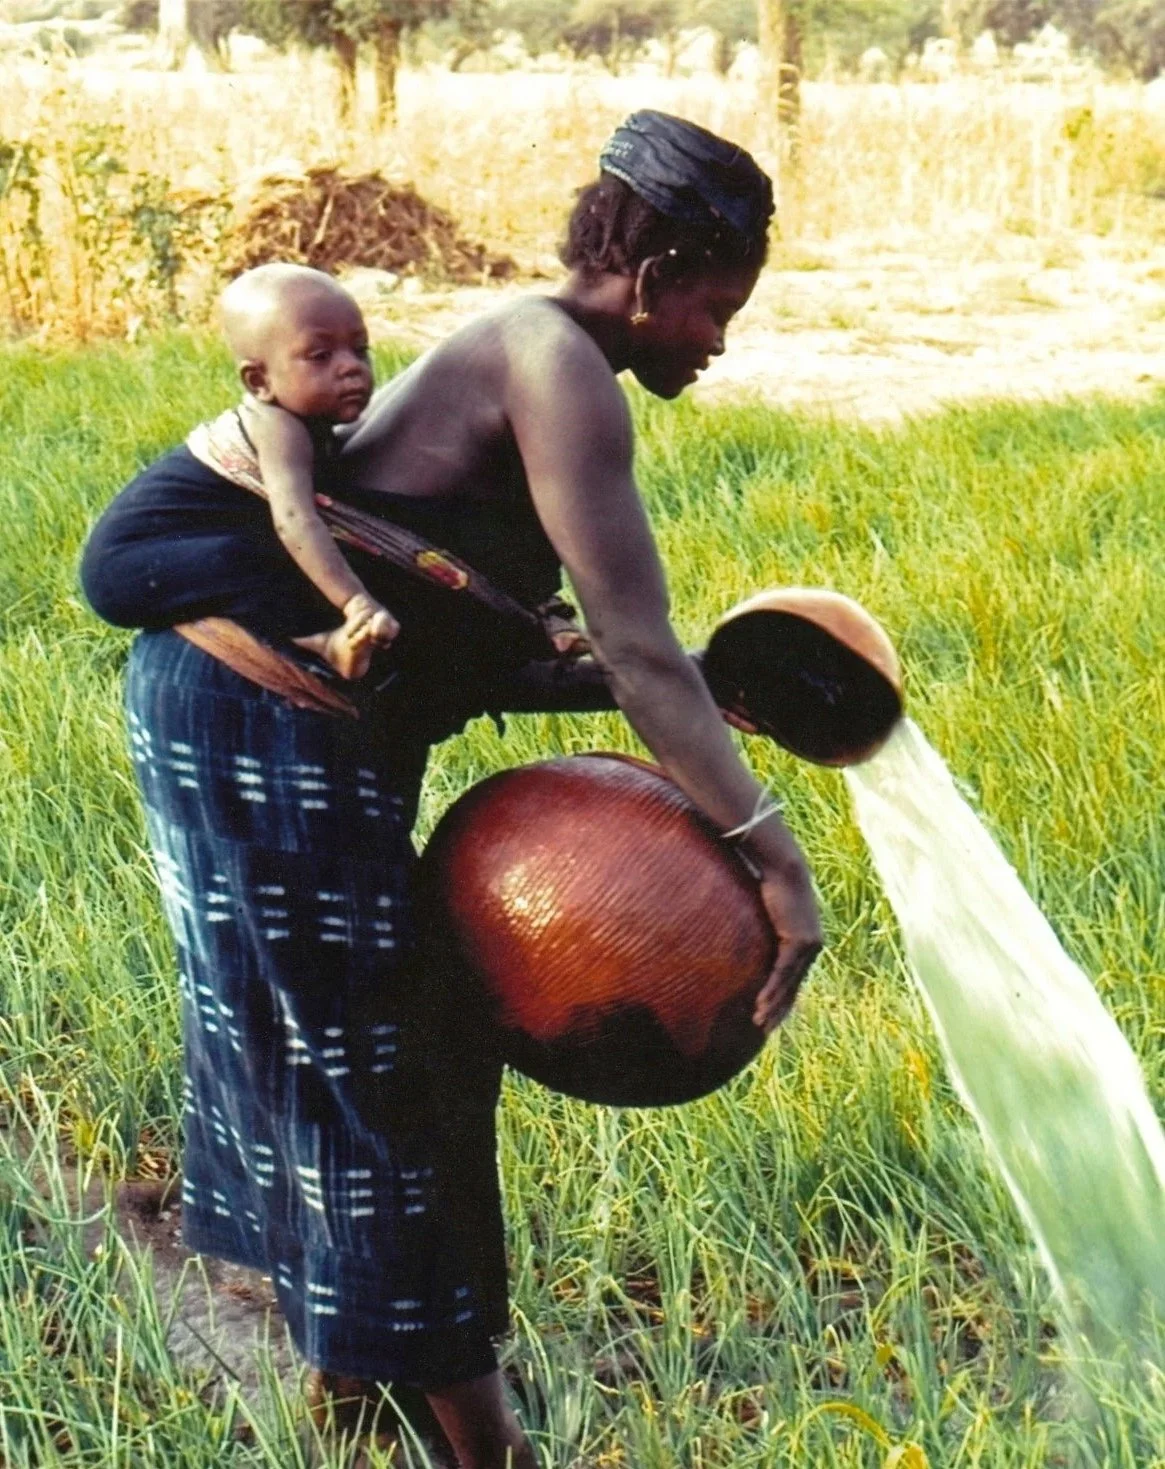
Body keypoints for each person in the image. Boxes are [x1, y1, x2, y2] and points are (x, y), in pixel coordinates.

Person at [80, 110, 823, 1469]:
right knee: (384, 1084)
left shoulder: (529, 352)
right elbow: (641, 649)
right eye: (716, 305)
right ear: (651, 275)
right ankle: (490, 1453)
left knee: (392, 1058)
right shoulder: (555, 364)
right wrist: (774, 860)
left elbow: (487, 655)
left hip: (274, 725)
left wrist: (717, 691)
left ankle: (359, 1391)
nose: (720, 340)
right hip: (258, 725)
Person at [191, 263, 399, 678]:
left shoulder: (309, 425)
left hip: (175, 557)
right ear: (259, 382)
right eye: (320, 356)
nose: (350, 367)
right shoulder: (279, 427)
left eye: (359, 350)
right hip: (129, 562)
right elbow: (295, 521)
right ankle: (323, 640)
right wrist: (355, 601)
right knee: (274, 555)